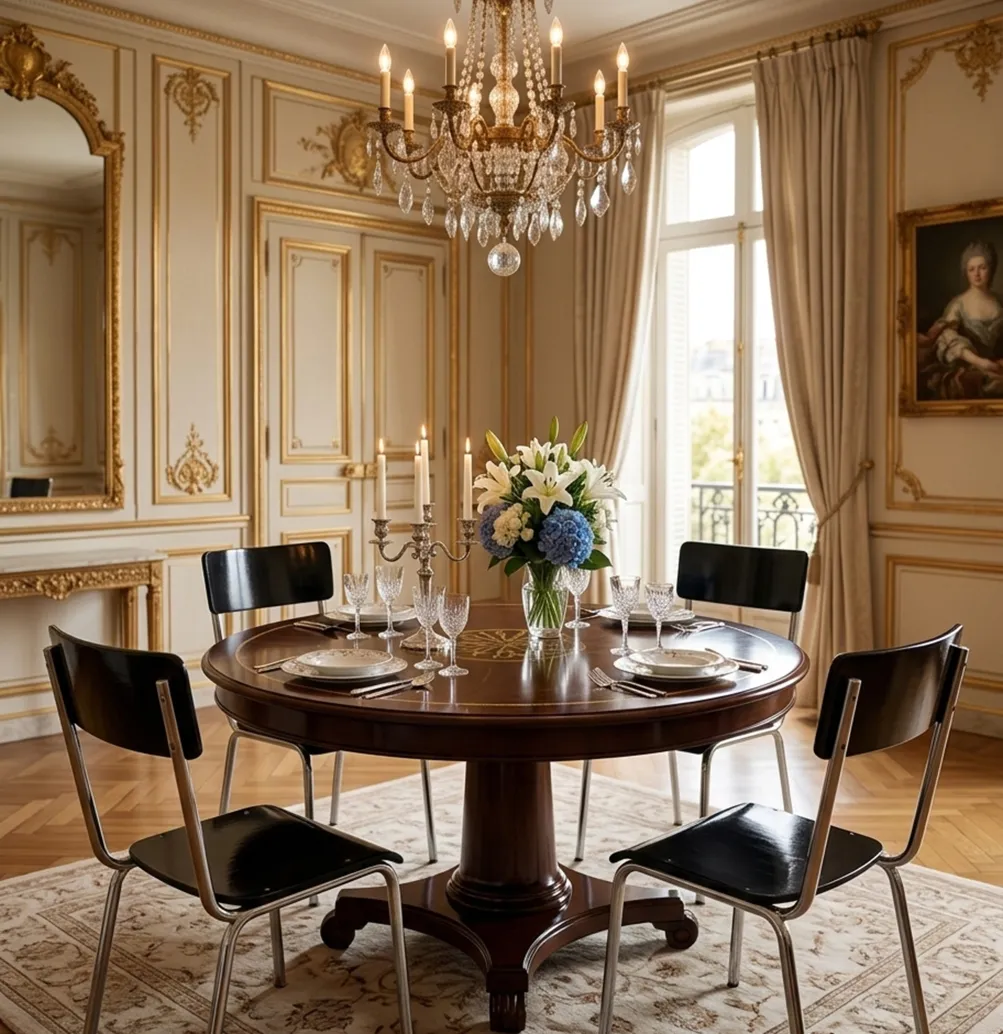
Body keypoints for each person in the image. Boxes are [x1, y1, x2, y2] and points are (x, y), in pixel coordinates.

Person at [918, 240, 1003, 400]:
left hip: (996, 366)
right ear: (966, 272)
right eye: (971, 269)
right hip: (968, 366)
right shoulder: (958, 304)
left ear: (991, 269)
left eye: (982, 268)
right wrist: (979, 362)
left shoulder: (1000, 303)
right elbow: (946, 337)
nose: (977, 274)